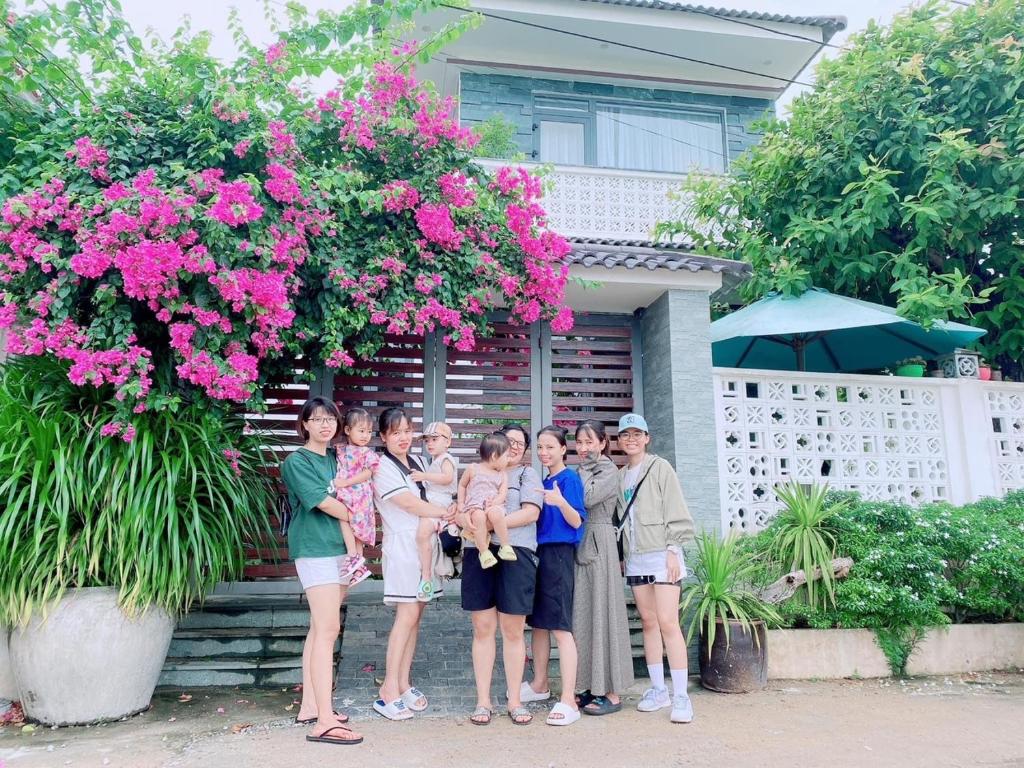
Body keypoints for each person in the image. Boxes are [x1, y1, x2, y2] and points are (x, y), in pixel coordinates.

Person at [279, 396, 363, 746]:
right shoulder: (297, 461)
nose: (326, 424)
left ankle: (311, 706)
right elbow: (325, 502)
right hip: (314, 549)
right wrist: (359, 515)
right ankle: (325, 721)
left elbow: (360, 488)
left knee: (319, 628)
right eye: (318, 419)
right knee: (329, 628)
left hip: (340, 550)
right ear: (305, 425)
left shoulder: (337, 457)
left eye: (331, 419)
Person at [456, 423, 543, 727]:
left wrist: (489, 524)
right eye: (510, 441)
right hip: (477, 552)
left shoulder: (526, 475)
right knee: (482, 627)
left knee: (513, 629)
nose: (516, 446)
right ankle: (483, 701)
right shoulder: (477, 472)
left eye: (521, 443)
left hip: (516, 553)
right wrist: (467, 519)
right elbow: (460, 509)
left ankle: (514, 700)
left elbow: (531, 513)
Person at [371, 407, 452, 721]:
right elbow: (407, 503)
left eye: (407, 431)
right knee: (405, 615)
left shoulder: (419, 462)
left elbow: (439, 491)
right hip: (403, 546)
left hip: (425, 544)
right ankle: (388, 689)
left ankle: (404, 682)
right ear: (383, 436)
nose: (403, 437)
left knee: (417, 614)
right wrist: (444, 513)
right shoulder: (381, 465)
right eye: (395, 432)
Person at [616, 412, 695, 724]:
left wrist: (674, 550)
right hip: (636, 557)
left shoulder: (660, 467)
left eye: (637, 434)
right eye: (626, 434)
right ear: (620, 441)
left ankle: (681, 696)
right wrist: (623, 554)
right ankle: (658, 689)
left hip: (663, 554)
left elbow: (675, 508)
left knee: (668, 622)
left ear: (647, 438)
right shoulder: (622, 475)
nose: (631, 439)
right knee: (648, 622)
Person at [523, 425, 586, 727]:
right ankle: (539, 685)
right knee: (538, 624)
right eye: (540, 447)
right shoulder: (544, 480)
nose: (544, 452)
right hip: (541, 556)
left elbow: (576, 523)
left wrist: (560, 501)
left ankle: (568, 699)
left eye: (550, 447)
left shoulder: (569, 479)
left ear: (563, 449)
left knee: (560, 627)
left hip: (560, 555)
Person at [572, 419, 634, 716]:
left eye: (589, 442)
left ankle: (612, 692)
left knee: (605, 612)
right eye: (579, 443)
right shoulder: (583, 470)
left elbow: (585, 498)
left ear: (602, 442)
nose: (583, 448)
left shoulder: (607, 469)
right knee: (584, 613)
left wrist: (582, 471)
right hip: (581, 542)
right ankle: (589, 686)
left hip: (601, 542)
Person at [409, 421, 459, 602]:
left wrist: (424, 476)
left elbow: (447, 478)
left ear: (448, 442)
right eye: (427, 440)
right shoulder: (435, 460)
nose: (430, 443)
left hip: (439, 503)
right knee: (424, 537)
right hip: (435, 502)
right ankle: (427, 574)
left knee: (422, 535)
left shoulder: (446, 458)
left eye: (435, 439)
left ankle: (427, 577)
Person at [333, 407, 378, 587]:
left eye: (368, 431)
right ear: (347, 430)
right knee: (345, 519)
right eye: (361, 431)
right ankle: (357, 563)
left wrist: (347, 482)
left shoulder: (367, 452)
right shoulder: (341, 449)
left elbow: (368, 473)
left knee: (357, 527)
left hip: (359, 493)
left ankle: (355, 558)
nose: (365, 435)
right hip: (348, 492)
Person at [457, 432, 517, 568]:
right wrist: (461, 503)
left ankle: (505, 545)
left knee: (496, 514)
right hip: (475, 506)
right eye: (507, 456)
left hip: (492, 505)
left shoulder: (502, 474)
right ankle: (484, 551)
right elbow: (462, 485)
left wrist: (495, 503)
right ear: (495, 456)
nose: (509, 459)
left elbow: (503, 493)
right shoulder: (473, 468)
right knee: (478, 517)